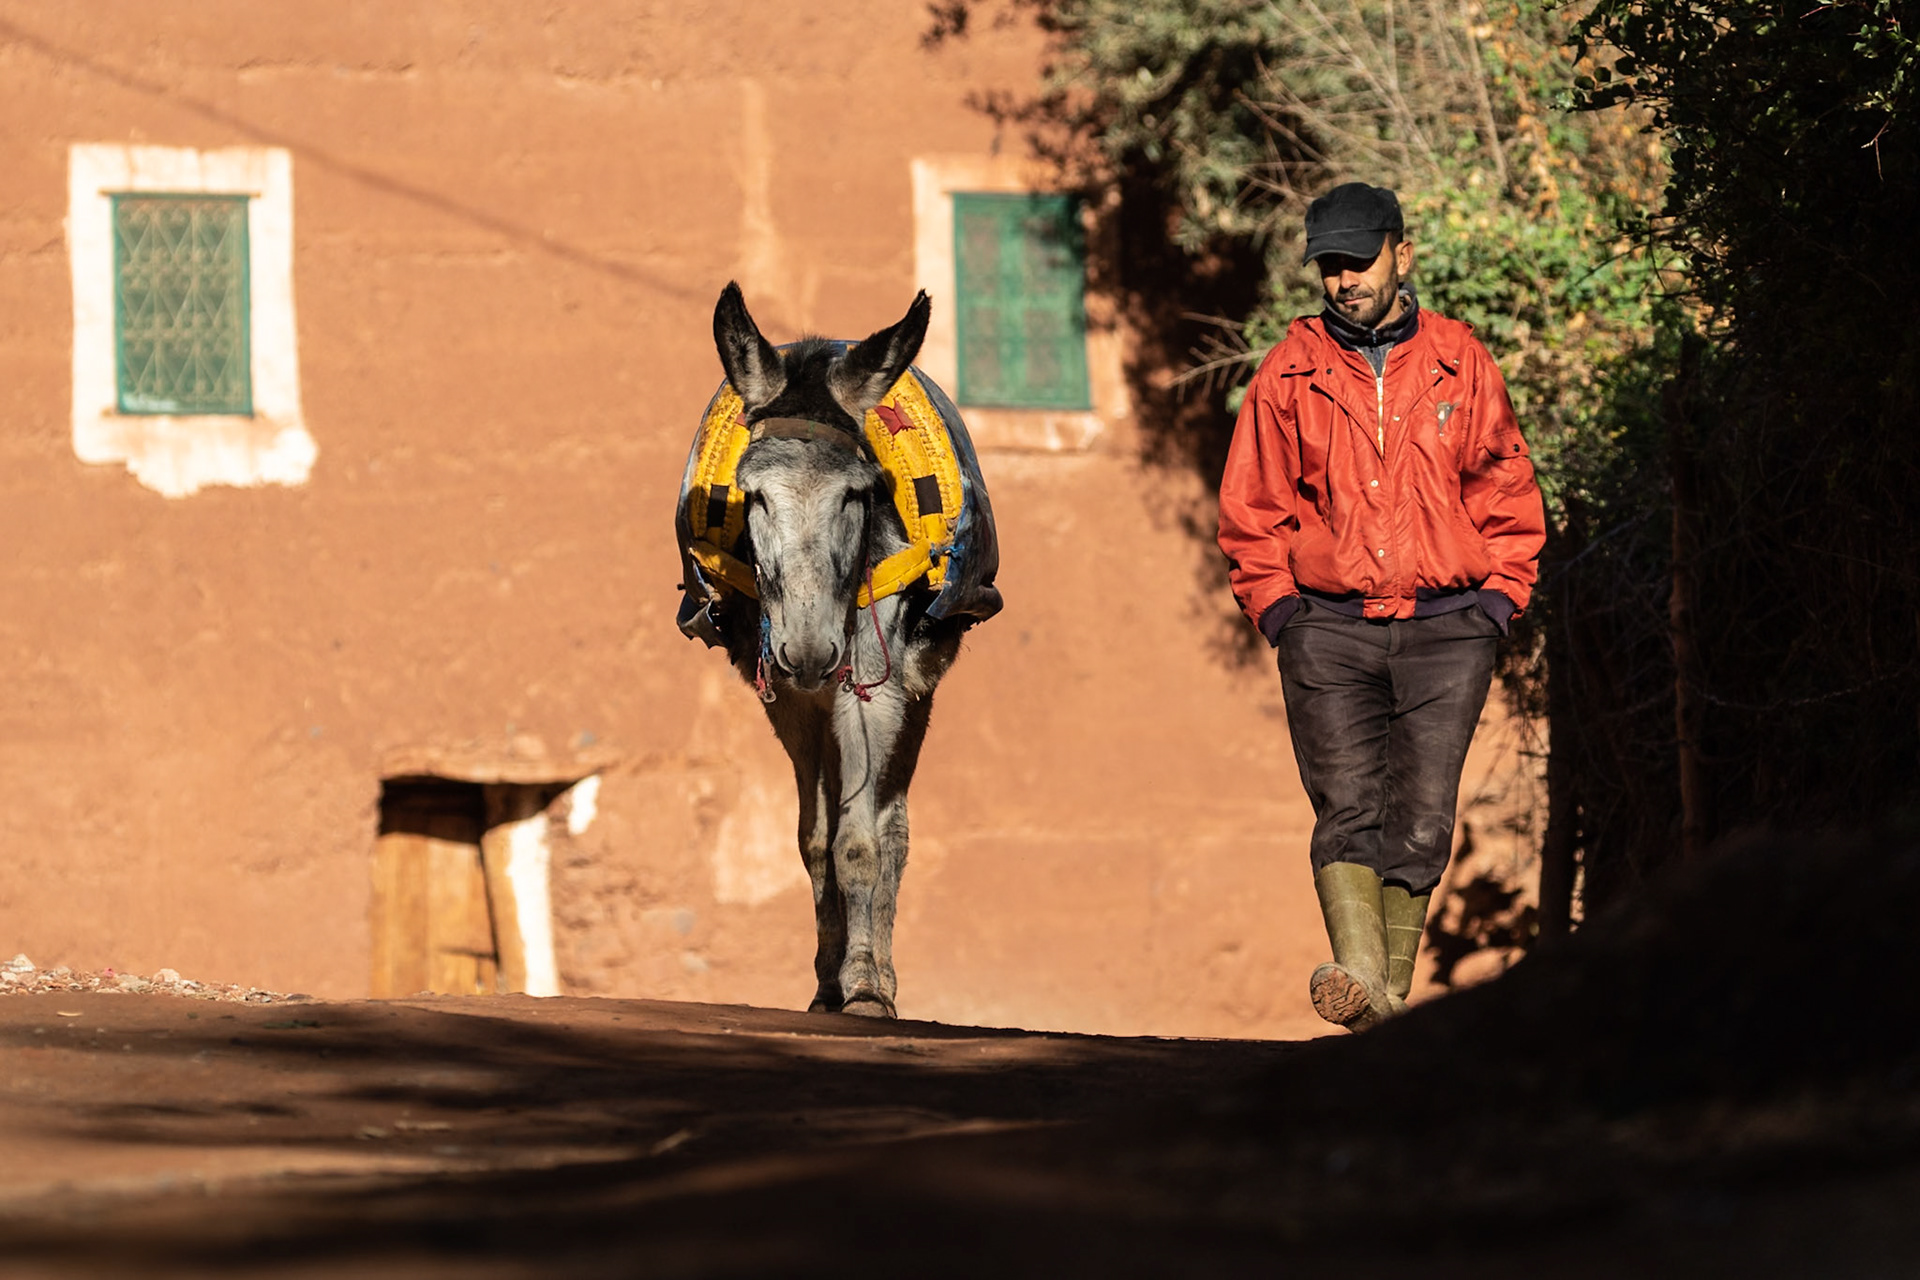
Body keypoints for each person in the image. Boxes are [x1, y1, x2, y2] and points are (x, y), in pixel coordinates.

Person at [1216, 182, 1546, 1031]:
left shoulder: (1460, 359)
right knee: (1347, 809)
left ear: (1403, 253)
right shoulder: (1288, 370)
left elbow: (1506, 488)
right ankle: (1368, 986)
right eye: (1330, 265)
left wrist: (1499, 601)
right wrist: (1281, 613)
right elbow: (1252, 507)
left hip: (1451, 630)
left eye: (1359, 260)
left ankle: (1378, 1006)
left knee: (1424, 819)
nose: (1344, 279)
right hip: (1326, 630)